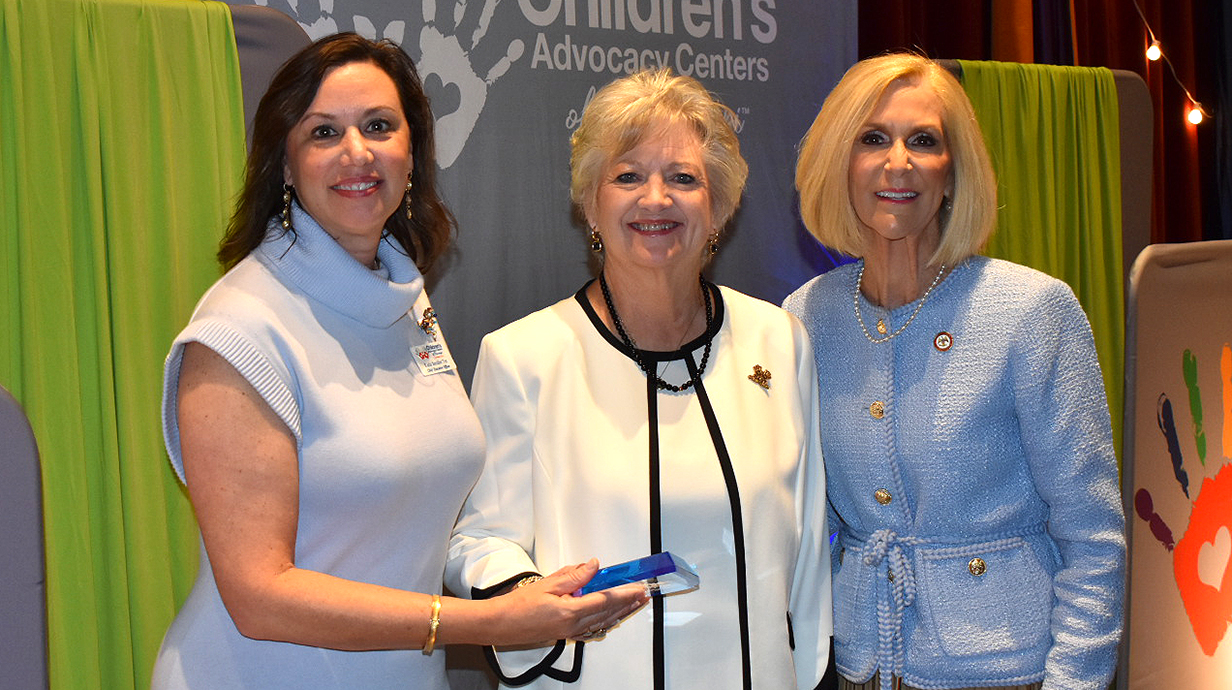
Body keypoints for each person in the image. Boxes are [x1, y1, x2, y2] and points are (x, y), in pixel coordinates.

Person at [150, 33, 645, 690]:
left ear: (411, 152)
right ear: (286, 165)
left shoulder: (403, 297)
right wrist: (491, 622)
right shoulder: (238, 332)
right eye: (323, 132)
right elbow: (260, 597)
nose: (357, 152)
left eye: (379, 126)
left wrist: (524, 587)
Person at [445, 68, 831, 690]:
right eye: (627, 176)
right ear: (591, 205)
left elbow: (809, 541)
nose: (657, 198)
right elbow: (480, 537)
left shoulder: (779, 341)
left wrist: (811, 671)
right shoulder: (524, 357)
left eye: (684, 178)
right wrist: (530, 597)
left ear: (719, 208)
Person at [782, 53, 1125, 690]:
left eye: (924, 141)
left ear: (953, 171)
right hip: (861, 665)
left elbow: (1094, 534)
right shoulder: (807, 315)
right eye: (873, 138)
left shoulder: (1032, 310)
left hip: (1010, 670)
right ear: (840, 162)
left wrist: (1075, 680)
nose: (897, 162)